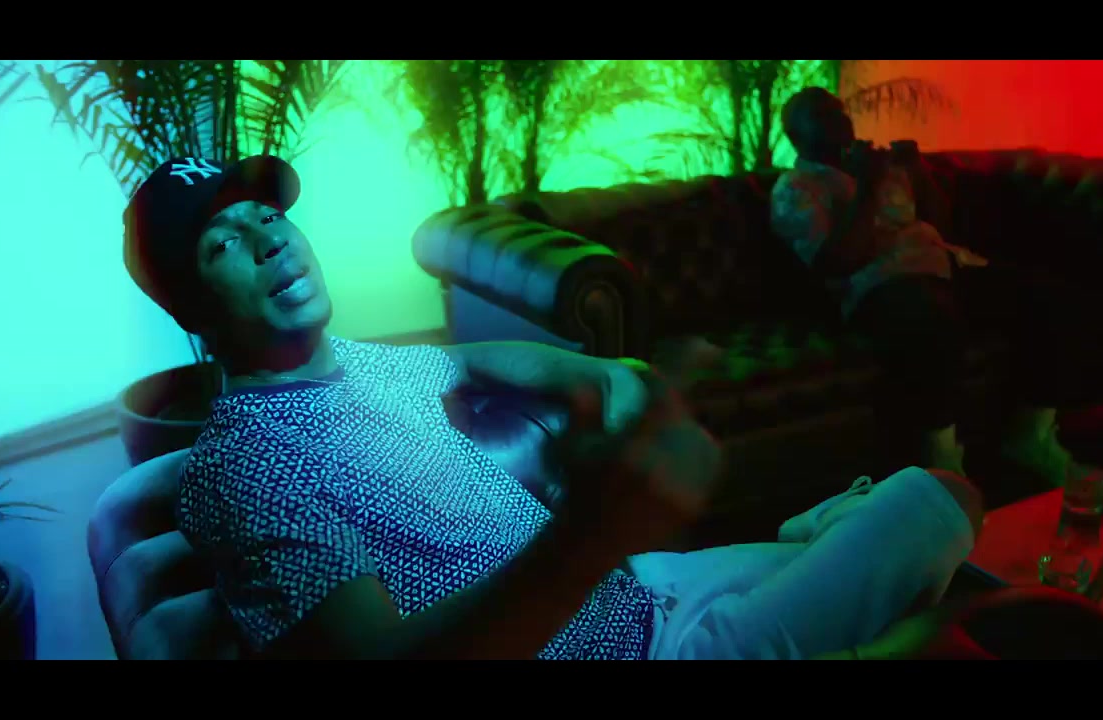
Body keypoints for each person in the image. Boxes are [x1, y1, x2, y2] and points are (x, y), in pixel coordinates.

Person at [123, 154, 985, 660]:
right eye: (224, 242)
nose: (269, 239)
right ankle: (828, 534)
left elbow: (471, 358)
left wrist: (601, 372)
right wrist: (596, 529)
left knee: (903, 542)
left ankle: (819, 535)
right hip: (637, 645)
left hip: (643, 591)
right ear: (195, 313)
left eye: (267, 216)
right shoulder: (247, 469)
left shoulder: (356, 363)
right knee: (940, 501)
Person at [770, 86, 1073, 485]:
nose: (840, 121)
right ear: (795, 136)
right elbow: (837, 262)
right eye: (823, 116)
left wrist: (917, 171)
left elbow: (939, 223)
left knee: (1045, 295)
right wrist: (866, 187)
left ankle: (1031, 435)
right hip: (878, 285)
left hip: (945, 264)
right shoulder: (796, 188)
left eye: (840, 112)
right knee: (931, 320)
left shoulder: (878, 166)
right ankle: (940, 461)